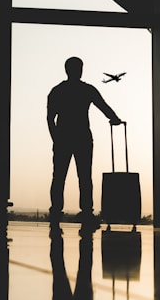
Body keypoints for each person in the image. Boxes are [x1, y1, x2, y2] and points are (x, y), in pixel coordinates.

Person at [47, 56, 121, 231]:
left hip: (63, 137)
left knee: (59, 177)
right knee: (85, 177)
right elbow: (103, 106)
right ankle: (87, 211)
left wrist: (56, 138)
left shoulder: (58, 91)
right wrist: (115, 119)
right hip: (82, 138)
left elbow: (50, 118)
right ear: (80, 70)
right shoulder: (86, 90)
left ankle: (56, 211)